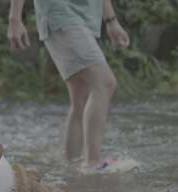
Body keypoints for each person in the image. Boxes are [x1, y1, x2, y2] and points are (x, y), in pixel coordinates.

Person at [7, 0, 129, 169]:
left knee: (81, 98)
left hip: (86, 17)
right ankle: (93, 162)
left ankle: (73, 167)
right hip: (60, 13)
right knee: (105, 83)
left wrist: (111, 20)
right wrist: (15, 19)